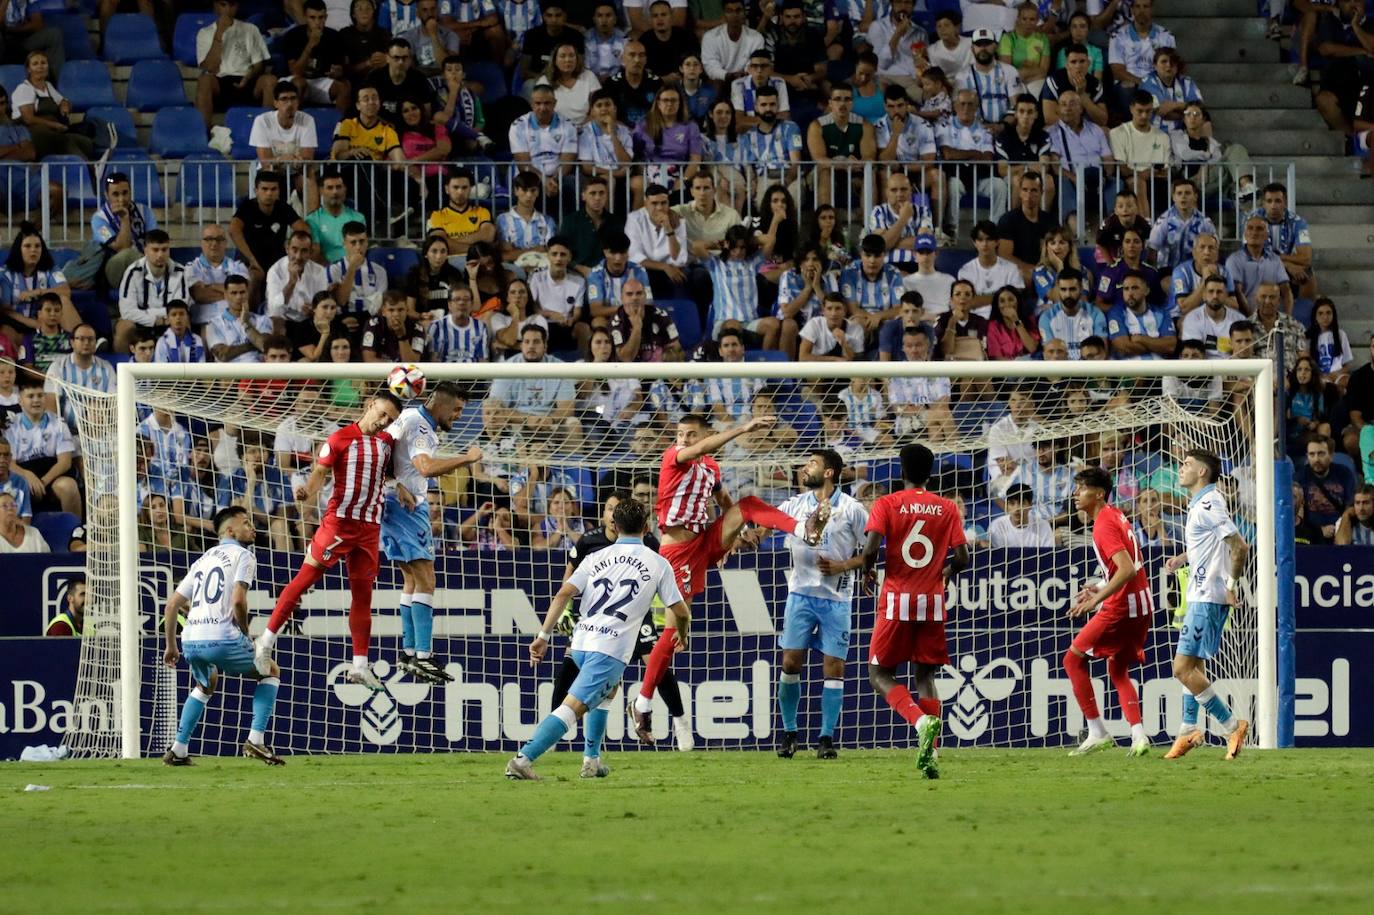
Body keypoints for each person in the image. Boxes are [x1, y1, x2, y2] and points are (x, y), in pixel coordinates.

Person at [629, 412, 831, 742]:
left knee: (748, 504)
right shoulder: (673, 457)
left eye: (692, 434)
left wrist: (740, 533)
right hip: (677, 551)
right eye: (680, 433)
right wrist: (742, 429)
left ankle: (802, 529)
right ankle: (643, 703)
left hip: (703, 541)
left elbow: (724, 501)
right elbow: (696, 451)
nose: (684, 439)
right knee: (672, 632)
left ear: (705, 434)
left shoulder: (711, 468)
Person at [508, 497, 688, 780]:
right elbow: (681, 611)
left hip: (580, 641)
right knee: (573, 708)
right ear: (646, 526)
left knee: (609, 691)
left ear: (614, 525)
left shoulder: (594, 557)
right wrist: (683, 633)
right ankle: (522, 760)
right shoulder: (658, 563)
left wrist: (543, 635)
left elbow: (563, 594)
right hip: (610, 648)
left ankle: (592, 761)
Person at [254, 392, 402, 689]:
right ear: (370, 404)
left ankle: (360, 665)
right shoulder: (339, 438)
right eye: (382, 414)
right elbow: (320, 472)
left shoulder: (387, 443)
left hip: (370, 528)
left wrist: (404, 489)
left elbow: (386, 476)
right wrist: (307, 492)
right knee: (304, 580)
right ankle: (265, 641)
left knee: (363, 597)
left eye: (390, 419)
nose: (384, 422)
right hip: (339, 524)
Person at [860, 443, 968, 779]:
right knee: (926, 677)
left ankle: (920, 722)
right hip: (933, 602)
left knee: (878, 674)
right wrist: (945, 573)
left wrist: (868, 570)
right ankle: (932, 754)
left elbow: (871, 548)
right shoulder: (947, 507)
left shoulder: (887, 503)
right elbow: (963, 557)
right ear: (930, 472)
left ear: (902, 470)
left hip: (896, 600)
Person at [161, 506, 285, 766]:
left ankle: (178, 749)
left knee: (206, 684)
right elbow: (238, 600)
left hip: (191, 639)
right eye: (246, 522)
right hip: (222, 637)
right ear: (230, 530)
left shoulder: (203, 559)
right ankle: (256, 740)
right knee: (270, 670)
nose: (252, 527)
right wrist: (245, 632)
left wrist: (171, 647)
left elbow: (172, 605)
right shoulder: (244, 555)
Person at [382, 383, 481, 681]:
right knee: (426, 579)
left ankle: (410, 653)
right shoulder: (422, 428)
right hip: (407, 510)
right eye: (457, 410)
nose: (459, 416)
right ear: (440, 404)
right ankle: (423, 656)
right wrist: (467, 458)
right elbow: (424, 468)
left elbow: (386, 454)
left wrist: (393, 484)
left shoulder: (408, 416)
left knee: (411, 580)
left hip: (393, 501)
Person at [774, 449, 868, 760]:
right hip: (800, 595)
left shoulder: (853, 509)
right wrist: (751, 533)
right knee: (790, 663)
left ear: (829, 472)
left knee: (834, 667)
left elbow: (871, 552)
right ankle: (789, 734)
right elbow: (770, 521)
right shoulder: (796, 504)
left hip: (837, 599)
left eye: (811, 463)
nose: (804, 468)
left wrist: (843, 566)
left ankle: (826, 738)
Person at [1162, 449, 1251, 760]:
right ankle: (1188, 730)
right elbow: (1209, 544)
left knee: (1181, 669)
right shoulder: (1202, 503)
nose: (1181, 469)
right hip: (1200, 594)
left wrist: (1230, 587)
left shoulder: (1209, 503)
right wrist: (1183, 558)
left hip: (1209, 596)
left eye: (1187, 464)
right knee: (1195, 666)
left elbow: (1239, 546)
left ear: (1202, 472)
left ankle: (1231, 726)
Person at [1060, 466, 1152, 757]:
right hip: (1143, 603)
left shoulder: (1102, 524)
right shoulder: (1116, 515)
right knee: (1117, 669)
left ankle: (1097, 731)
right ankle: (1139, 736)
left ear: (1099, 493)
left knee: (1072, 661)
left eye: (1082, 487)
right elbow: (1130, 565)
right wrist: (1099, 584)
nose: (1075, 493)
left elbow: (1124, 570)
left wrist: (1095, 599)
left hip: (1122, 606)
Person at [330, 85, 409, 234]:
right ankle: (387, 209)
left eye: (374, 98)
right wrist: (353, 151)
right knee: (364, 159)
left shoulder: (388, 130)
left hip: (372, 174)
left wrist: (392, 165)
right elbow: (338, 154)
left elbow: (399, 161)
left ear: (379, 103)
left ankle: (376, 231)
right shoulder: (347, 124)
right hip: (345, 172)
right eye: (366, 99)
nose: (371, 102)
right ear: (358, 105)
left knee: (400, 178)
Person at [5, 376, 78, 516]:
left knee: (68, 486)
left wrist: (43, 482)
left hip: (52, 476)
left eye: (40, 395)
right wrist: (28, 476)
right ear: (20, 401)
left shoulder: (59, 424)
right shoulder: (11, 427)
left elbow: (65, 462)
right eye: (30, 396)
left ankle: (77, 532)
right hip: (24, 476)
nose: (36, 400)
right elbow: (10, 464)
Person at [229, 171, 310, 298]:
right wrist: (252, 260)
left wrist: (292, 250)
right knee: (255, 277)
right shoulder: (247, 207)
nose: (269, 193)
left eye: (273, 189)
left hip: (277, 259)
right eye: (264, 189)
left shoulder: (283, 207)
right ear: (256, 190)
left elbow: (304, 230)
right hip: (250, 259)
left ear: (278, 191)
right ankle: (250, 315)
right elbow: (234, 230)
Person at [195, 0, 271, 128]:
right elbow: (210, 68)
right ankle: (204, 134)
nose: (228, 10)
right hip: (220, 82)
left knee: (270, 80)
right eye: (223, 5)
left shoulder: (250, 29)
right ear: (216, 6)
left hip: (248, 79)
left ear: (237, 6)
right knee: (204, 81)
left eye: (232, 5)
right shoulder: (205, 33)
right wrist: (219, 34)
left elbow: (259, 65)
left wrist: (249, 76)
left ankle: (268, 133)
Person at [115, 230, 190, 357]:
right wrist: (155, 320)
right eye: (155, 250)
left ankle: (183, 367)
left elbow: (180, 308)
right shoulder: (133, 272)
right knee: (124, 326)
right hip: (142, 322)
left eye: (164, 249)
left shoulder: (180, 272)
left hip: (168, 321)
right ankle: (123, 370)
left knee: (183, 321)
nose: (160, 255)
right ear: (145, 250)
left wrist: (156, 315)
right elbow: (127, 311)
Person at [249, 83, 320, 212]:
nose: (289, 103)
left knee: (309, 173)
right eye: (284, 99)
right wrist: (283, 159)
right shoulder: (262, 121)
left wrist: (297, 161)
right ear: (275, 103)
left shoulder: (307, 120)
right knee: (269, 172)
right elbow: (265, 161)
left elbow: (308, 157)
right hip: (272, 170)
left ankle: (312, 220)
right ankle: (268, 218)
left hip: (296, 170)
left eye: (293, 98)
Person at [271, 0, 351, 111]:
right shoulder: (293, 35)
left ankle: (341, 126)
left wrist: (337, 71)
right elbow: (295, 72)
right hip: (295, 79)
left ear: (326, 17)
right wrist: (310, 45)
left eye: (321, 17)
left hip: (320, 80)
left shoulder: (334, 36)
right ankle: (294, 124)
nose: (317, 22)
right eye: (312, 18)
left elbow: (340, 69)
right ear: (305, 17)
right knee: (299, 83)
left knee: (343, 88)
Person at [11, 50, 91, 160]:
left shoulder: (48, 86)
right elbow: (28, 119)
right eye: (35, 64)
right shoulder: (24, 89)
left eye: (43, 63)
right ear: (29, 69)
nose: (40, 66)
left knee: (86, 143)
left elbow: (63, 101)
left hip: (50, 130)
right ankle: (91, 168)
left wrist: (65, 104)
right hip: (30, 133)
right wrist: (55, 125)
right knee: (64, 141)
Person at [1295, 434, 1357, 543]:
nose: (1316, 459)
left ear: (1331, 455)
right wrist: (1319, 531)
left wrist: (1340, 527)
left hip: (1340, 529)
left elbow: (1350, 507)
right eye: (1312, 454)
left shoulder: (1344, 473)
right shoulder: (1300, 476)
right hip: (1311, 535)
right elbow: (1298, 510)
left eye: (1321, 454)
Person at [988, 482, 1053, 548]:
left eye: (1021, 503)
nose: (1016, 509)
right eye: (1012, 504)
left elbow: (1048, 556)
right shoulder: (997, 526)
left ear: (1030, 505)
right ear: (1007, 505)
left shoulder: (1043, 526)